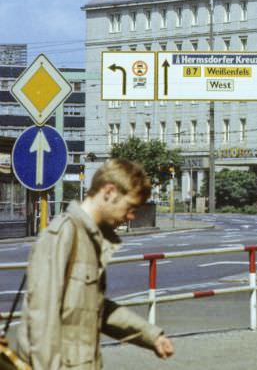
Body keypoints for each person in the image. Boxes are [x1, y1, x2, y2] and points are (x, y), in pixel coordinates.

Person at [14, 158, 175, 369]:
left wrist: (151, 336)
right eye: (130, 207)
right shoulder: (63, 234)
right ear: (109, 192)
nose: (131, 216)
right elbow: (41, 321)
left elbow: (95, 308)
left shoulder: (91, 239)